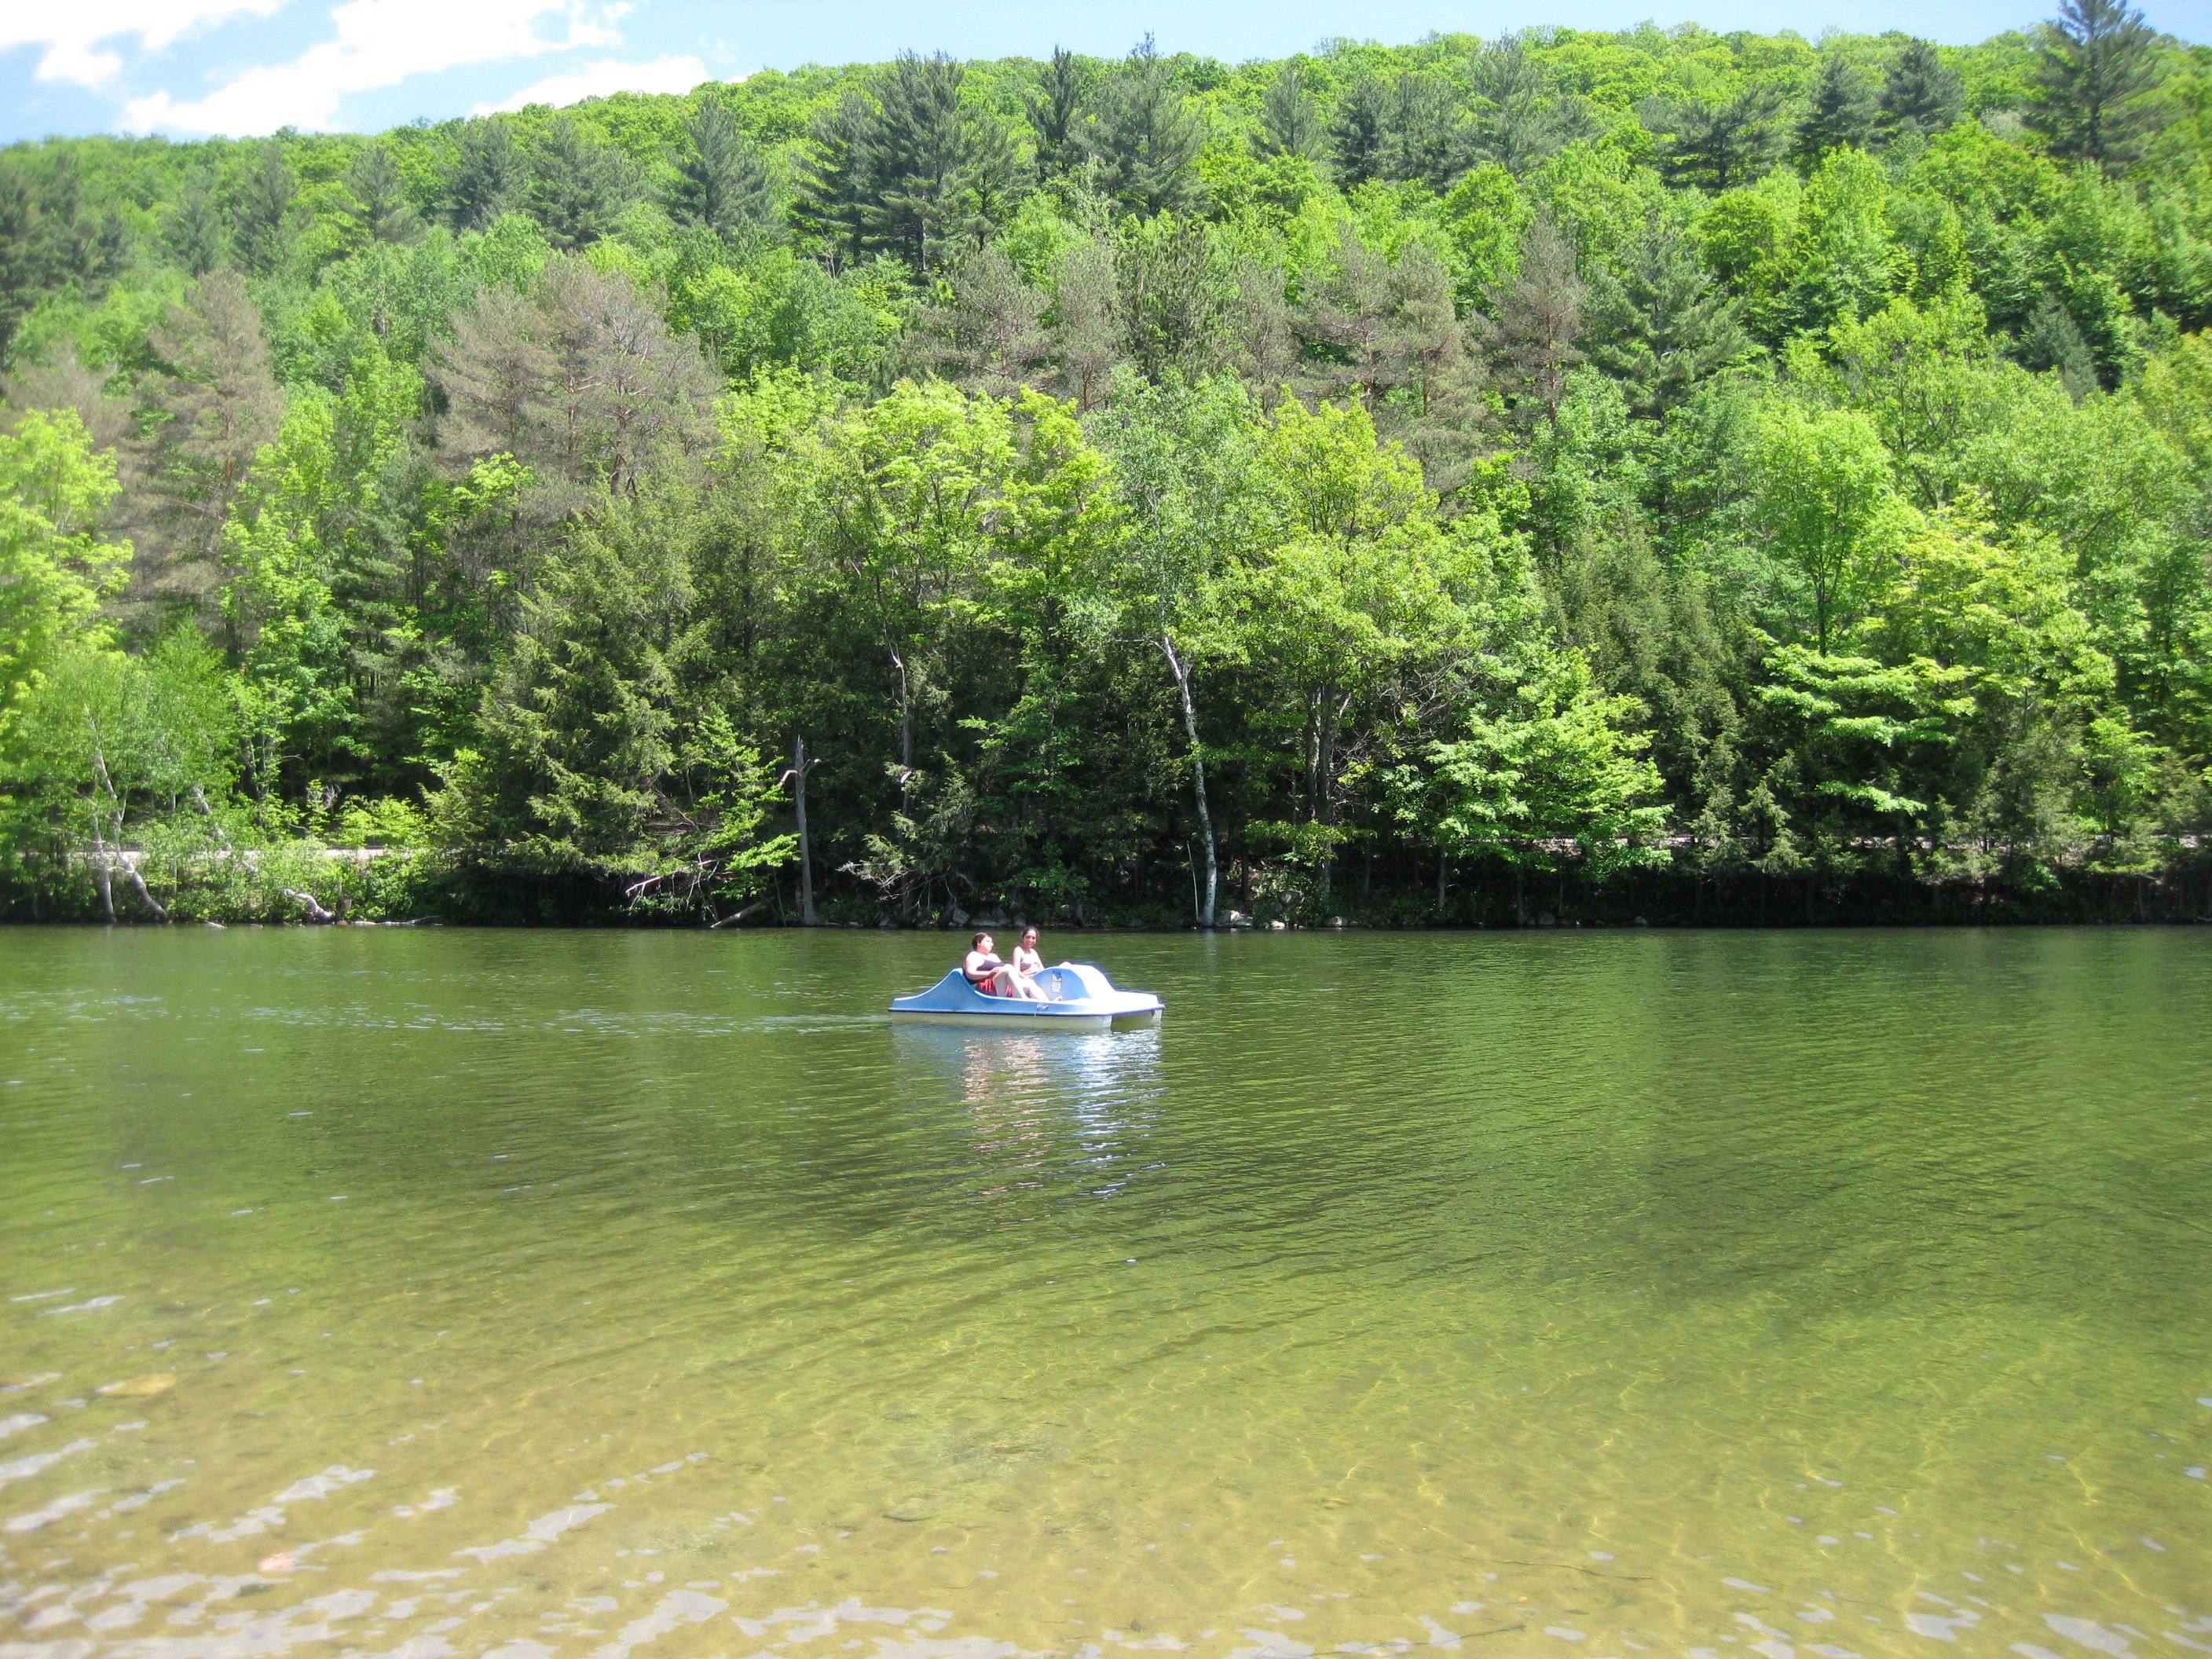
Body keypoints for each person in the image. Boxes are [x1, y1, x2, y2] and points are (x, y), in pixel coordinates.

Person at [963, 932, 1046, 1001]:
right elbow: (970, 974)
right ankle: (1022, 999)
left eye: (992, 942)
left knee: (1029, 983)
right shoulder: (973, 955)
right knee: (1009, 967)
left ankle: (1048, 1003)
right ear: (978, 942)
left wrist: (1024, 977)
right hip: (986, 985)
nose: (991, 944)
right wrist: (990, 972)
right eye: (988, 941)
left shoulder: (993, 956)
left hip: (1001, 984)